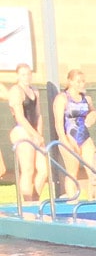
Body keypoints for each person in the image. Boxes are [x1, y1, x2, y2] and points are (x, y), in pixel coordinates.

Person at [53, 67, 96, 200]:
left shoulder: (87, 99)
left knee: (94, 172)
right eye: (78, 81)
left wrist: (93, 114)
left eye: (83, 81)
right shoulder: (62, 98)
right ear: (70, 82)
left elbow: (93, 112)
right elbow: (58, 123)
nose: (81, 84)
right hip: (69, 136)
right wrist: (64, 141)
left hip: (84, 137)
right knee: (72, 173)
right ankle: (73, 202)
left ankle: (93, 201)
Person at [7, 62, 46, 203]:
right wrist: (34, 134)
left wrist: (39, 134)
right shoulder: (16, 91)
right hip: (21, 130)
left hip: (35, 132)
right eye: (23, 74)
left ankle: (34, 199)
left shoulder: (35, 90)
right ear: (18, 76)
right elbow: (20, 117)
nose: (26, 77)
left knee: (43, 170)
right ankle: (27, 202)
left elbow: (39, 114)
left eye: (29, 74)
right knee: (28, 169)